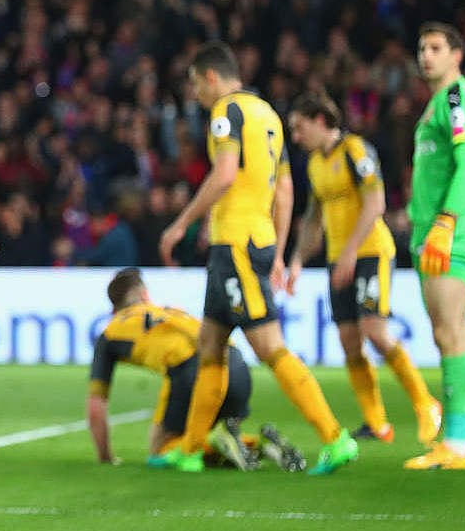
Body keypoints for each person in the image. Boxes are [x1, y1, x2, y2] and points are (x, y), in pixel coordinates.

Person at [155, 41, 358, 475]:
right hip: (252, 241)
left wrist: (182, 223)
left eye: (195, 84)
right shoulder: (268, 115)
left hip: (237, 244)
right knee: (210, 346)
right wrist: (279, 252)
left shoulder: (226, 112)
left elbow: (225, 174)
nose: (195, 94)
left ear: (211, 77)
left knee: (268, 346)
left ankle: (334, 437)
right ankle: (191, 449)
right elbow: (284, 190)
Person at [286, 90, 440, 444]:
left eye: (299, 128)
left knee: (375, 331)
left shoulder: (356, 151)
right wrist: (296, 261)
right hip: (338, 259)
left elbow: (376, 204)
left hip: (370, 252)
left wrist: (351, 252)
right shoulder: (314, 164)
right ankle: (377, 423)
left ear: (320, 121)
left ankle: (425, 403)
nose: (296, 137)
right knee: (348, 341)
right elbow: (312, 219)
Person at [88, 269, 303, 471]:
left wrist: (105, 456)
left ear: (113, 308)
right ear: (145, 294)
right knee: (205, 430)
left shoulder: (110, 334)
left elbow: (96, 406)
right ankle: (258, 443)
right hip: (236, 364)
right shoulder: (171, 311)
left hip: (192, 371)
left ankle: (215, 442)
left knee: (161, 449)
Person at [403, 22, 465, 470]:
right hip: (432, 235)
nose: (426, 56)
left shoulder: (458, 100)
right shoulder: (439, 103)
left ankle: (457, 442)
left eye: (436, 48)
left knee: (450, 334)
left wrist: (446, 221)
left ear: (457, 54)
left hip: (446, 236)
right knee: (455, 335)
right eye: (421, 48)